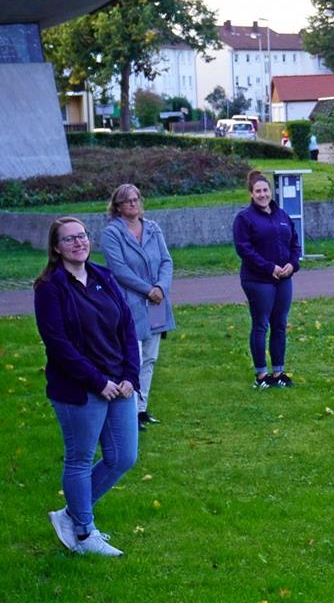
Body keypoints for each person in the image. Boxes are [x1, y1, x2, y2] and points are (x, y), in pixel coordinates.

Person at [34, 217, 139, 556]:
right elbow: (58, 343)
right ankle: (82, 532)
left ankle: (70, 514)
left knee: (123, 457)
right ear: (56, 248)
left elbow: (126, 328)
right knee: (80, 459)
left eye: (81, 236)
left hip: (118, 384)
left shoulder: (103, 276)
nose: (78, 243)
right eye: (69, 239)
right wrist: (98, 381)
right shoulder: (50, 286)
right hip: (80, 388)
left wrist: (130, 377)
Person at [100, 184, 175, 431]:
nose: (133, 204)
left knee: (150, 358)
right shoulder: (112, 233)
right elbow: (119, 269)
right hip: (130, 302)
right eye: (127, 200)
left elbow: (166, 261)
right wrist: (148, 289)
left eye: (136, 199)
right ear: (117, 206)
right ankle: (128, 412)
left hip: (156, 301)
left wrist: (161, 288)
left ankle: (141, 410)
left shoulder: (153, 228)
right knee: (133, 357)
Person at [233, 170, 301, 388]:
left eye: (265, 190)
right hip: (258, 280)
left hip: (283, 279)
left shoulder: (282, 216)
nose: (262, 195)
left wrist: (292, 264)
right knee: (261, 324)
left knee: (279, 324)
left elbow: (294, 244)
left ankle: (278, 372)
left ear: (271, 192)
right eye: (258, 191)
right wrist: (268, 267)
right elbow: (244, 249)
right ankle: (261, 375)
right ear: (251, 194)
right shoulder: (245, 219)